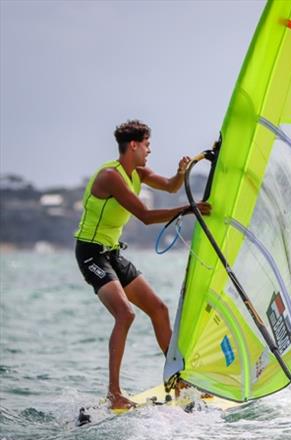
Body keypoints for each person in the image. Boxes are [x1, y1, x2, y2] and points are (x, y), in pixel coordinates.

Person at [74, 120, 211, 410]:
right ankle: (114, 393)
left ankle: (179, 383)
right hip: (91, 254)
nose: (150, 150)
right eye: (147, 145)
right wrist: (191, 209)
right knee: (125, 314)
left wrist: (180, 173)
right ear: (133, 145)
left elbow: (172, 187)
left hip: (112, 253)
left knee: (158, 309)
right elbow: (146, 217)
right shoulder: (111, 177)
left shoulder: (139, 173)